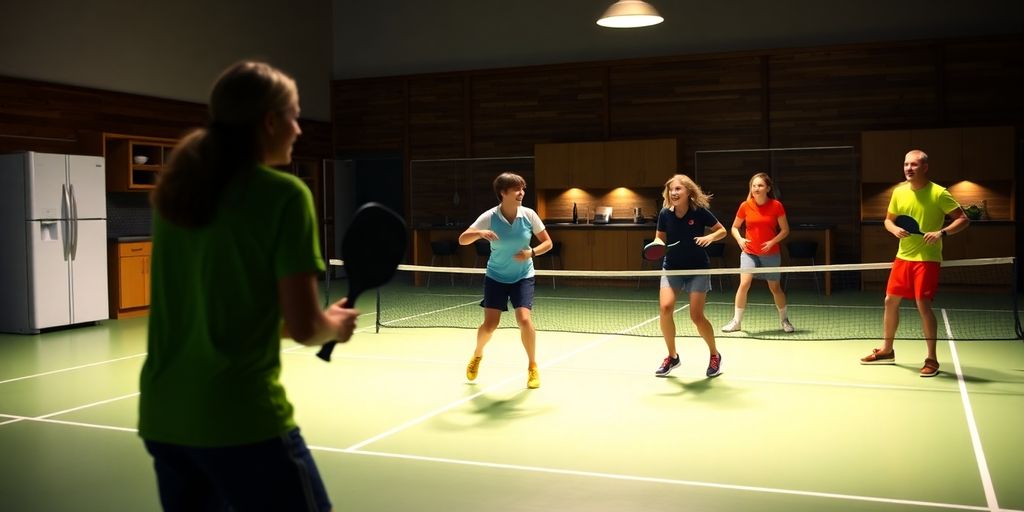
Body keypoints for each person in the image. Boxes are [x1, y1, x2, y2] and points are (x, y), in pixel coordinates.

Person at [139, 61, 358, 511]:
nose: (300, 129)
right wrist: (333, 326)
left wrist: (314, 322)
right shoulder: (284, 195)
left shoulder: (176, 194)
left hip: (163, 420)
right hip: (240, 420)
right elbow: (304, 327)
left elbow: (233, 316)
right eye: (295, 116)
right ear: (270, 121)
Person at [860, 149, 969, 377]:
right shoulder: (899, 192)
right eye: (906, 164)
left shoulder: (939, 193)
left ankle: (932, 359)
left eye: (914, 165)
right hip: (903, 257)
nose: (909, 168)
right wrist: (894, 229)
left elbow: (962, 219)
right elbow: (888, 221)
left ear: (925, 168)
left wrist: (942, 233)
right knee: (890, 301)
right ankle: (887, 350)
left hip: (927, 259)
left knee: (922, 304)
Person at [459, 172, 552, 389]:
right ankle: (477, 355)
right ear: (503, 193)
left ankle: (532, 366)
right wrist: (480, 233)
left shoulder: (529, 215)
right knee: (491, 325)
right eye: (517, 189)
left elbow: (548, 243)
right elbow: (463, 240)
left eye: (523, 189)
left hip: (523, 276)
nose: (522, 193)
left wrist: (532, 253)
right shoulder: (490, 217)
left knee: (524, 319)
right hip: (496, 277)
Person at [653, 174, 728, 378]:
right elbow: (659, 239)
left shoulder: (700, 212)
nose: (674, 193)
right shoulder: (664, 214)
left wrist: (709, 237)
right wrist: (657, 247)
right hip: (673, 268)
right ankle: (672, 356)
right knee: (665, 307)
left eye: (678, 189)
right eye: (671, 190)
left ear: (688, 192)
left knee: (696, 315)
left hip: (697, 268)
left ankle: (714, 354)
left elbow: (722, 231)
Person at [721, 172, 795, 333]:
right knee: (744, 284)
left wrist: (772, 242)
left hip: (771, 253)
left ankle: (785, 320)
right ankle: (736, 321)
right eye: (754, 185)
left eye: (760, 185)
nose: (756, 188)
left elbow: (785, 230)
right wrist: (740, 240)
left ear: (768, 188)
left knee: (775, 288)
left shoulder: (776, 206)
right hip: (749, 252)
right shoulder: (745, 206)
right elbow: (734, 227)